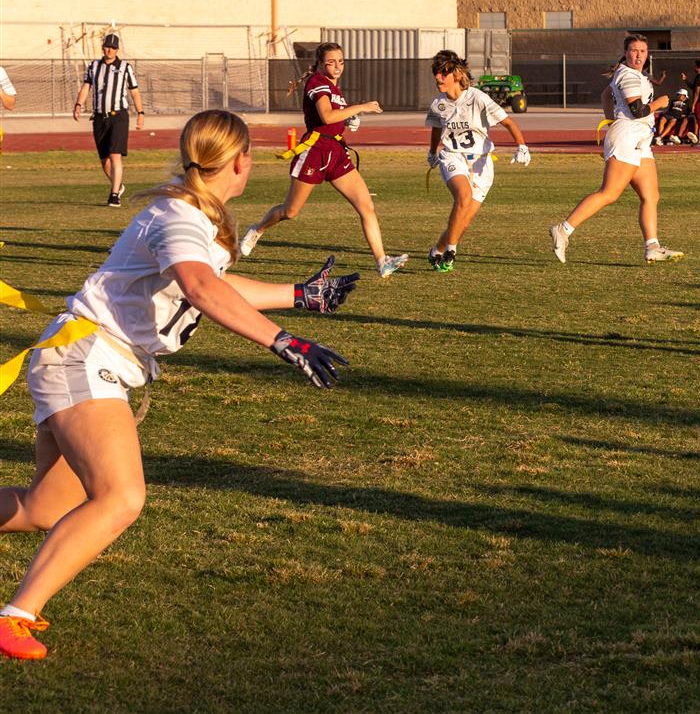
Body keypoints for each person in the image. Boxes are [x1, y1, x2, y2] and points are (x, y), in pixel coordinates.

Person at [0, 110, 361, 660]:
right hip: (85, 358)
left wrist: (298, 294)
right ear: (240, 162)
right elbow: (199, 288)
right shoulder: (179, 216)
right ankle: (13, 618)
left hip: (80, 357)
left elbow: (212, 282)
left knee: (42, 510)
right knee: (121, 497)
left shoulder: (188, 213)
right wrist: (284, 342)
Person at [239, 43, 408, 278]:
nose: (337, 66)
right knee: (290, 211)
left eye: (340, 61)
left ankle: (382, 261)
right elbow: (326, 116)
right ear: (320, 63)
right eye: (331, 61)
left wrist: (350, 119)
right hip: (315, 150)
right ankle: (257, 229)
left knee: (366, 205)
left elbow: (335, 116)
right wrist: (361, 107)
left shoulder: (334, 88)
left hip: (336, 151)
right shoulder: (317, 82)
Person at [549, 34, 684, 265]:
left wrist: (612, 121)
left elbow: (605, 95)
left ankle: (652, 247)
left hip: (639, 139)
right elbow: (638, 111)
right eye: (634, 50)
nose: (639, 55)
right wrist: (660, 104)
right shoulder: (628, 75)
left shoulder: (635, 74)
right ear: (625, 53)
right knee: (609, 193)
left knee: (651, 196)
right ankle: (563, 229)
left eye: (643, 50)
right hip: (628, 136)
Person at [425, 50, 531, 272]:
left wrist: (522, 146)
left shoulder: (478, 98)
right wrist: (433, 152)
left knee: (464, 220)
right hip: (453, 157)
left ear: (456, 73)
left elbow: (509, 122)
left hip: (482, 164)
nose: (438, 77)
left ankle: (438, 249)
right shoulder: (438, 103)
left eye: (443, 73)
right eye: (436, 73)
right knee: (463, 197)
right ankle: (451, 251)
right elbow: (436, 129)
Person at [73, 34, 144, 207]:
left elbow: (134, 91)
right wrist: (78, 104)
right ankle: (118, 186)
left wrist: (140, 113)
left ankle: (114, 195)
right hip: (99, 117)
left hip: (118, 115)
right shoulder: (94, 66)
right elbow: (86, 87)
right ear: (103, 47)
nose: (109, 50)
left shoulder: (125, 67)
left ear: (117, 49)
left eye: (112, 47)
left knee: (114, 155)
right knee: (104, 160)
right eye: (106, 46)